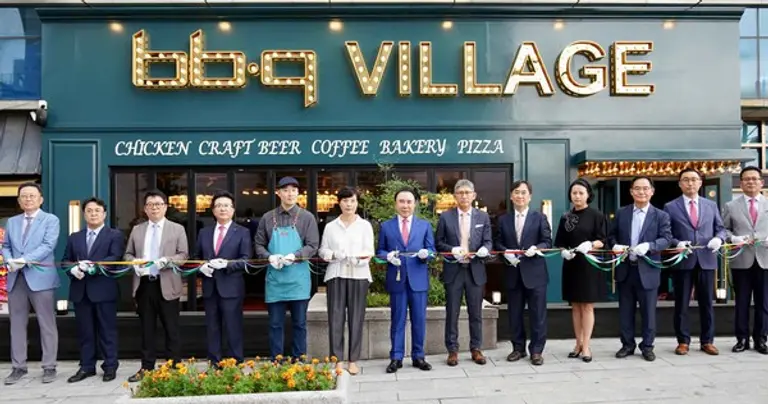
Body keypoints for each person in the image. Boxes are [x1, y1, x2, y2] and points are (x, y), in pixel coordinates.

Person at [125, 190, 189, 382]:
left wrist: (167, 260)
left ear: (165, 207)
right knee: (146, 329)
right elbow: (127, 254)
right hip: (144, 284)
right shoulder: (137, 230)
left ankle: (174, 367)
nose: (154, 208)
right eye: (150, 205)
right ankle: (147, 367)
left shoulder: (177, 229)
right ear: (145, 209)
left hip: (167, 283)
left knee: (171, 328)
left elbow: (183, 255)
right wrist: (134, 263)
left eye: (158, 204)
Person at [254, 176, 319, 360]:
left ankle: (299, 360)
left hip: (298, 279)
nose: (290, 194)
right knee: (275, 324)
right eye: (285, 190)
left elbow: (313, 245)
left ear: (298, 193)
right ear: (278, 193)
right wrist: (269, 257)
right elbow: (258, 244)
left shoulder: (307, 217)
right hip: (275, 279)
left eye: (293, 190)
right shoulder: (267, 217)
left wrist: (295, 256)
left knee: (300, 323)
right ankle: (276, 360)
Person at [2, 182, 61, 385]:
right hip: (16, 278)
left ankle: (49, 366)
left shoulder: (50, 220)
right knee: (17, 325)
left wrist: (24, 260)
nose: (28, 199)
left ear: (40, 199)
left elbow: (48, 245)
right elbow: (6, 246)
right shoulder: (12, 222)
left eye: (32, 196)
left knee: (47, 324)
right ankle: (18, 367)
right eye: (24, 196)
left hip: (41, 278)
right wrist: (10, 260)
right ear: (19, 200)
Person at [608, 177, 672, 362]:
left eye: (645, 188)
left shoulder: (660, 215)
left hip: (648, 270)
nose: (641, 192)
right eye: (637, 188)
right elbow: (611, 236)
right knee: (625, 311)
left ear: (652, 191)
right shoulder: (622, 213)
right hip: (626, 269)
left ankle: (647, 346)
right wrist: (614, 245)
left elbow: (666, 239)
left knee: (648, 312)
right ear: (631, 191)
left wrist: (650, 246)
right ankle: (627, 345)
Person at [663, 168, 726, 356]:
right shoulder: (670, 206)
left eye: (694, 179)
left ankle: (707, 341)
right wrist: (677, 243)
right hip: (683, 260)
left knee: (707, 303)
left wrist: (719, 239)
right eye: (686, 180)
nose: (690, 183)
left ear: (700, 182)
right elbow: (666, 234)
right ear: (680, 184)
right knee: (681, 303)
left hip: (706, 259)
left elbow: (721, 228)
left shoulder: (711, 205)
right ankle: (683, 341)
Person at [64, 197, 125, 382]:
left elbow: (114, 258)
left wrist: (93, 266)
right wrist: (72, 270)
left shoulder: (114, 235)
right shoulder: (75, 237)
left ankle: (110, 366)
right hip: (80, 291)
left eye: (97, 211)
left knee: (107, 330)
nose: (93, 214)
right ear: (84, 214)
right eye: (89, 211)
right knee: (85, 332)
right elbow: (66, 260)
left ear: (104, 214)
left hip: (104, 290)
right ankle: (86, 366)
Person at [377, 187, 435, 373]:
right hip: (397, 278)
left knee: (419, 320)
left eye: (409, 202)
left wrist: (426, 254)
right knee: (397, 320)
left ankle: (419, 356)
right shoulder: (386, 226)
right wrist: (387, 256)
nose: (405, 205)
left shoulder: (424, 225)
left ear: (415, 204)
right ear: (395, 204)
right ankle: (396, 357)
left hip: (418, 279)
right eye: (401, 201)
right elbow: (380, 251)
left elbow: (432, 250)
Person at [436, 179, 492, 367]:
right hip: (454, 270)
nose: (464, 196)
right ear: (455, 196)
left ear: (473, 195)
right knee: (452, 312)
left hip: (475, 270)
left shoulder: (482, 217)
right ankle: (452, 350)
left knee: (476, 312)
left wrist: (485, 249)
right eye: (460, 193)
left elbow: (488, 241)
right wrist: (452, 249)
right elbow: (439, 243)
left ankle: (476, 348)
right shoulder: (446, 217)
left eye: (467, 193)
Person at [318, 187, 374, 375]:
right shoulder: (331, 226)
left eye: (352, 201)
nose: (349, 204)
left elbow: (369, 251)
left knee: (356, 318)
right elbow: (323, 250)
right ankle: (337, 360)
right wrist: (334, 254)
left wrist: (357, 258)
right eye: (345, 201)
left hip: (359, 274)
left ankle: (353, 360)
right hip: (336, 274)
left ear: (357, 203)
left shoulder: (364, 225)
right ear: (339, 203)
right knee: (335, 318)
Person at [496, 180, 552, 366]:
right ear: (511, 196)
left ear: (530, 196)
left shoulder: (540, 218)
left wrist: (537, 248)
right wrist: (505, 252)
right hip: (513, 273)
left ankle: (536, 350)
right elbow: (498, 242)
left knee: (538, 314)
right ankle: (518, 348)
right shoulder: (503, 219)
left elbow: (547, 241)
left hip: (535, 273)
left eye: (523, 192)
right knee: (515, 314)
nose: (520, 196)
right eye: (516, 192)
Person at [196, 190, 252, 365]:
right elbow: (196, 258)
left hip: (231, 287)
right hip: (210, 287)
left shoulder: (242, 232)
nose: (222, 209)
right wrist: (201, 267)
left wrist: (227, 264)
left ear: (233, 210)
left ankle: (236, 362)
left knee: (233, 326)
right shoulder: (204, 232)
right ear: (213, 210)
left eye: (226, 206)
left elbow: (246, 260)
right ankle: (214, 361)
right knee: (212, 327)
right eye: (219, 206)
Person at [554, 178, 606, 363]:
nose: (577, 196)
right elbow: (560, 241)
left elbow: (603, 240)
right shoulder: (566, 216)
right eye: (574, 193)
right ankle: (578, 343)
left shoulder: (596, 215)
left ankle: (586, 346)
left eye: (581, 193)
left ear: (588, 195)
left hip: (589, 264)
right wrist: (564, 251)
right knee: (575, 306)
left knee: (587, 306)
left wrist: (591, 244)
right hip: (571, 264)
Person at [722, 166, 768, 354]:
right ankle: (741, 339)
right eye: (747, 179)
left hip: (765, 259)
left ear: (761, 182)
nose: (751, 182)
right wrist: (734, 238)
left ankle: (761, 339)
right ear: (740, 183)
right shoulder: (731, 206)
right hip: (741, 260)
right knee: (741, 302)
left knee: (764, 302)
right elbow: (723, 230)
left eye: (754, 178)